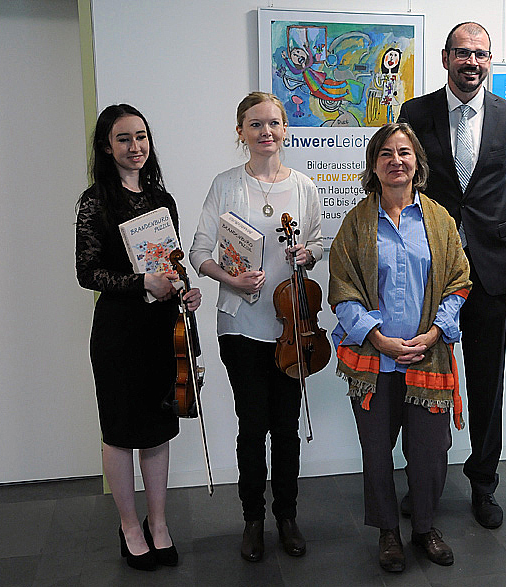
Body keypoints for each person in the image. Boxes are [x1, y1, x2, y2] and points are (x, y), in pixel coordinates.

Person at [397, 21, 506, 528]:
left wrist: (487, 233)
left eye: (481, 54)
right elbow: (409, 182)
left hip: (490, 271)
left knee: (485, 382)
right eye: (462, 53)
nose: (471, 62)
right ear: (446, 57)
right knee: (422, 376)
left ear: (489, 60)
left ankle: (483, 483)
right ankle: (423, 479)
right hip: (428, 267)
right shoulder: (415, 113)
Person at [328, 123, 471, 572]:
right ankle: (388, 532)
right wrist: (377, 338)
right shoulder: (356, 223)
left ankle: (425, 526)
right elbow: (343, 290)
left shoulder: (440, 220)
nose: (396, 160)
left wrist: (434, 334)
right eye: (386, 153)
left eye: (404, 152)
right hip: (375, 359)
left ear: (417, 163)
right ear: (374, 164)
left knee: (429, 452)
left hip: (428, 355)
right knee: (375, 451)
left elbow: (459, 281)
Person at [189, 92, 322, 562]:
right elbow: (200, 251)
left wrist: (308, 253)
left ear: (285, 129)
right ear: (241, 132)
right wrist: (232, 278)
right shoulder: (226, 185)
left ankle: (287, 516)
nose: (266, 131)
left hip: (292, 330)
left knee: (286, 427)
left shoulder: (305, 186)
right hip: (241, 325)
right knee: (253, 425)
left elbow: (317, 241)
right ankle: (252, 520)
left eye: (274, 123)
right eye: (255, 124)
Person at [76, 104, 202, 571]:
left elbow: (172, 264)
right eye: (125, 139)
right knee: (120, 431)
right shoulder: (94, 201)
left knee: (156, 428)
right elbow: (86, 272)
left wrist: (185, 292)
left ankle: (158, 522)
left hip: (160, 331)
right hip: (117, 332)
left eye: (142, 137)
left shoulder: (161, 199)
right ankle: (129, 526)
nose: (136, 148)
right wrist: (140, 283)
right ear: (107, 147)